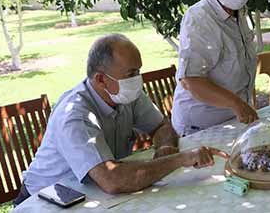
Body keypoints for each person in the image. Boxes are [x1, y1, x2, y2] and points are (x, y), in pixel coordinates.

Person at [15, 34, 227, 206]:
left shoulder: (123, 93)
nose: (138, 80)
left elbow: (161, 126)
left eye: (139, 71)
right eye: (131, 73)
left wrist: (165, 151)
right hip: (46, 201)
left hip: (95, 194)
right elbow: (112, 180)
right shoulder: (75, 115)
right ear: (100, 79)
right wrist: (181, 159)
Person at [172, 0, 259, 136]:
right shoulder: (199, 19)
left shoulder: (239, 11)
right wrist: (237, 104)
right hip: (201, 125)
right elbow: (191, 80)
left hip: (234, 119)